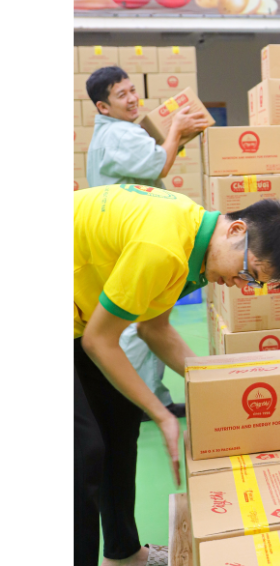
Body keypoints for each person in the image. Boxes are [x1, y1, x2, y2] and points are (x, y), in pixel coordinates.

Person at [74, 186, 280, 566]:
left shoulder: (196, 251)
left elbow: (154, 328)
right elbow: (100, 342)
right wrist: (163, 415)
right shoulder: (165, 246)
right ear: (236, 230)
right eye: (248, 272)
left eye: (253, 283)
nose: (240, 285)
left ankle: (124, 554)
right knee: (82, 451)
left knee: (119, 419)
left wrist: (216, 386)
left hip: (80, 317)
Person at [85, 65, 210, 420]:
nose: (132, 99)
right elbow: (160, 164)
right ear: (103, 107)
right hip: (132, 237)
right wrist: (176, 130)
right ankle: (136, 402)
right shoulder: (121, 135)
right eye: (121, 95)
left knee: (147, 317)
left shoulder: (113, 133)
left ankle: (155, 396)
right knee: (131, 323)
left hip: (123, 234)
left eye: (131, 90)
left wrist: (174, 137)